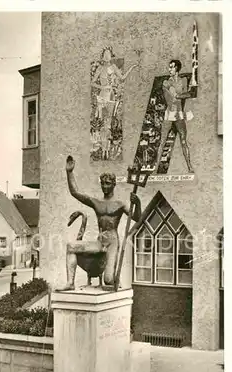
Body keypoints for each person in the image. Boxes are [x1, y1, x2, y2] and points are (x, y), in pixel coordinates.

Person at [58, 156, 141, 290]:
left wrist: (138, 204)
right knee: (71, 246)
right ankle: (70, 283)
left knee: (108, 280)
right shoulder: (97, 202)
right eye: (103, 183)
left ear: (114, 184)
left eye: (108, 183)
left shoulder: (119, 204)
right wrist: (69, 172)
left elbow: (137, 218)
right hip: (100, 241)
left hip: (112, 242)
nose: (105, 186)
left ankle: (113, 278)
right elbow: (75, 192)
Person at [154, 59, 194, 173]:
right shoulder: (166, 82)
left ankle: (190, 167)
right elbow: (171, 97)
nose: (169, 69)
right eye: (169, 67)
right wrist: (178, 95)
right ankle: (155, 168)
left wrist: (179, 95)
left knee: (183, 140)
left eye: (171, 67)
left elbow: (187, 94)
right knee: (162, 141)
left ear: (177, 68)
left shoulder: (183, 80)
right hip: (170, 113)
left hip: (179, 113)